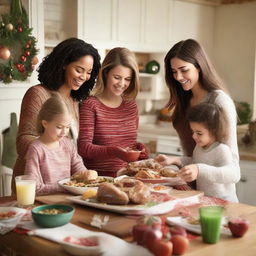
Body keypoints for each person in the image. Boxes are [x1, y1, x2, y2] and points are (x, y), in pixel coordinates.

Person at [12, 38, 101, 190]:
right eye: (79, 70)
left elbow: (73, 149)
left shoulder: (75, 101)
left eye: (88, 73)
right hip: (34, 185)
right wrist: (53, 151)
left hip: (63, 185)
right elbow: (23, 141)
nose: (83, 77)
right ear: (64, 64)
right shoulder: (38, 94)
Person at [162, 38, 240, 193]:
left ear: (199, 66)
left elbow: (233, 169)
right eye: (174, 71)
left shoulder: (219, 101)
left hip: (217, 198)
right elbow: (194, 157)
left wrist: (198, 169)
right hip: (189, 192)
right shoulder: (184, 99)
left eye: (184, 70)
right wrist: (175, 162)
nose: (178, 77)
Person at [78, 47, 149, 177]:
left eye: (127, 79)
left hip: (128, 177)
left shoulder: (131, 105)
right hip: (98, 179)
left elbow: (129, 145)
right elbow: (84, 148)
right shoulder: (91, 105)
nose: (121, 84)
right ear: (105, 73)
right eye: (117, 77)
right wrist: (114, 151)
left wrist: (139, 149)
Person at [156, 102, 238, 202]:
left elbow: (233, 175)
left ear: (214, 131)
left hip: (225, 203)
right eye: (193, 131)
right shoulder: (199, 147)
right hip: (207, 201)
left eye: (199, 133)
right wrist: (174, 160)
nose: (194, 136)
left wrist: (199, 169)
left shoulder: (221, 150)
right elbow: (195, 162)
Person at [24, 95, 97, 195]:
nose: (64, 132)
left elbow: (78, 167)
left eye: (67, 127)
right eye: (59, 127)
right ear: (45, 123)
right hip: (46, 202)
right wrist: (66, 187)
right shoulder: (36, 149)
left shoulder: (68, 144)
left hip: (68, 199)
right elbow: (33, 187)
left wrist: (85, 174)